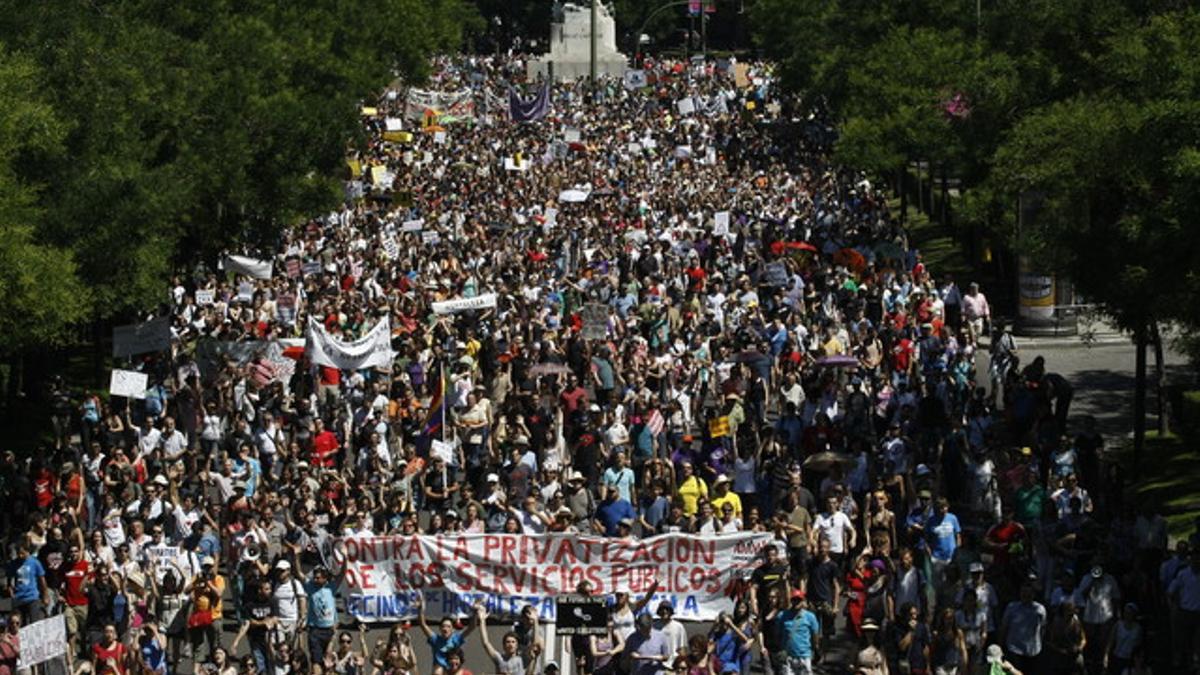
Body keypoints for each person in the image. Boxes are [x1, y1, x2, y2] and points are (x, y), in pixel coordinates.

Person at [415, 593, 477, 671]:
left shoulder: (456, 639)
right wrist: (420, 609)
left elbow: (472, 627)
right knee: (438, 671)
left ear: (452, 629)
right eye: (443, 626)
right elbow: (423, 625)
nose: (445, 629)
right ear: (440, 628)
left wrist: (475, 612)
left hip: (453, 669)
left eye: (448, 627)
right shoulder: (436, 639)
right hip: (439, 670)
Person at [998, 582, 1047, 673]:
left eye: (1029, 593)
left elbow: (1043, 628)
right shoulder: (1011, 608)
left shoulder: (1040, 609)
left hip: (1033, 650)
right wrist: (1000, 646)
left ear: (1033, 594)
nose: (1026, 595)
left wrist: (1040, 643)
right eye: (1023, 592)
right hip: (1014, 649)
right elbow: (1004, 627)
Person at [772, 589, 820, 675]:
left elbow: (815, 634)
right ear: (791, 601)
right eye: (794, 600)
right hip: (787, 656)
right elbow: (777, 634)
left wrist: (816, 649)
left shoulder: (810, 617)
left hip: (804, 655)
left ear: (803, 601)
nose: (796, 602)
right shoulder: (782, 616)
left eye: (799, 600)